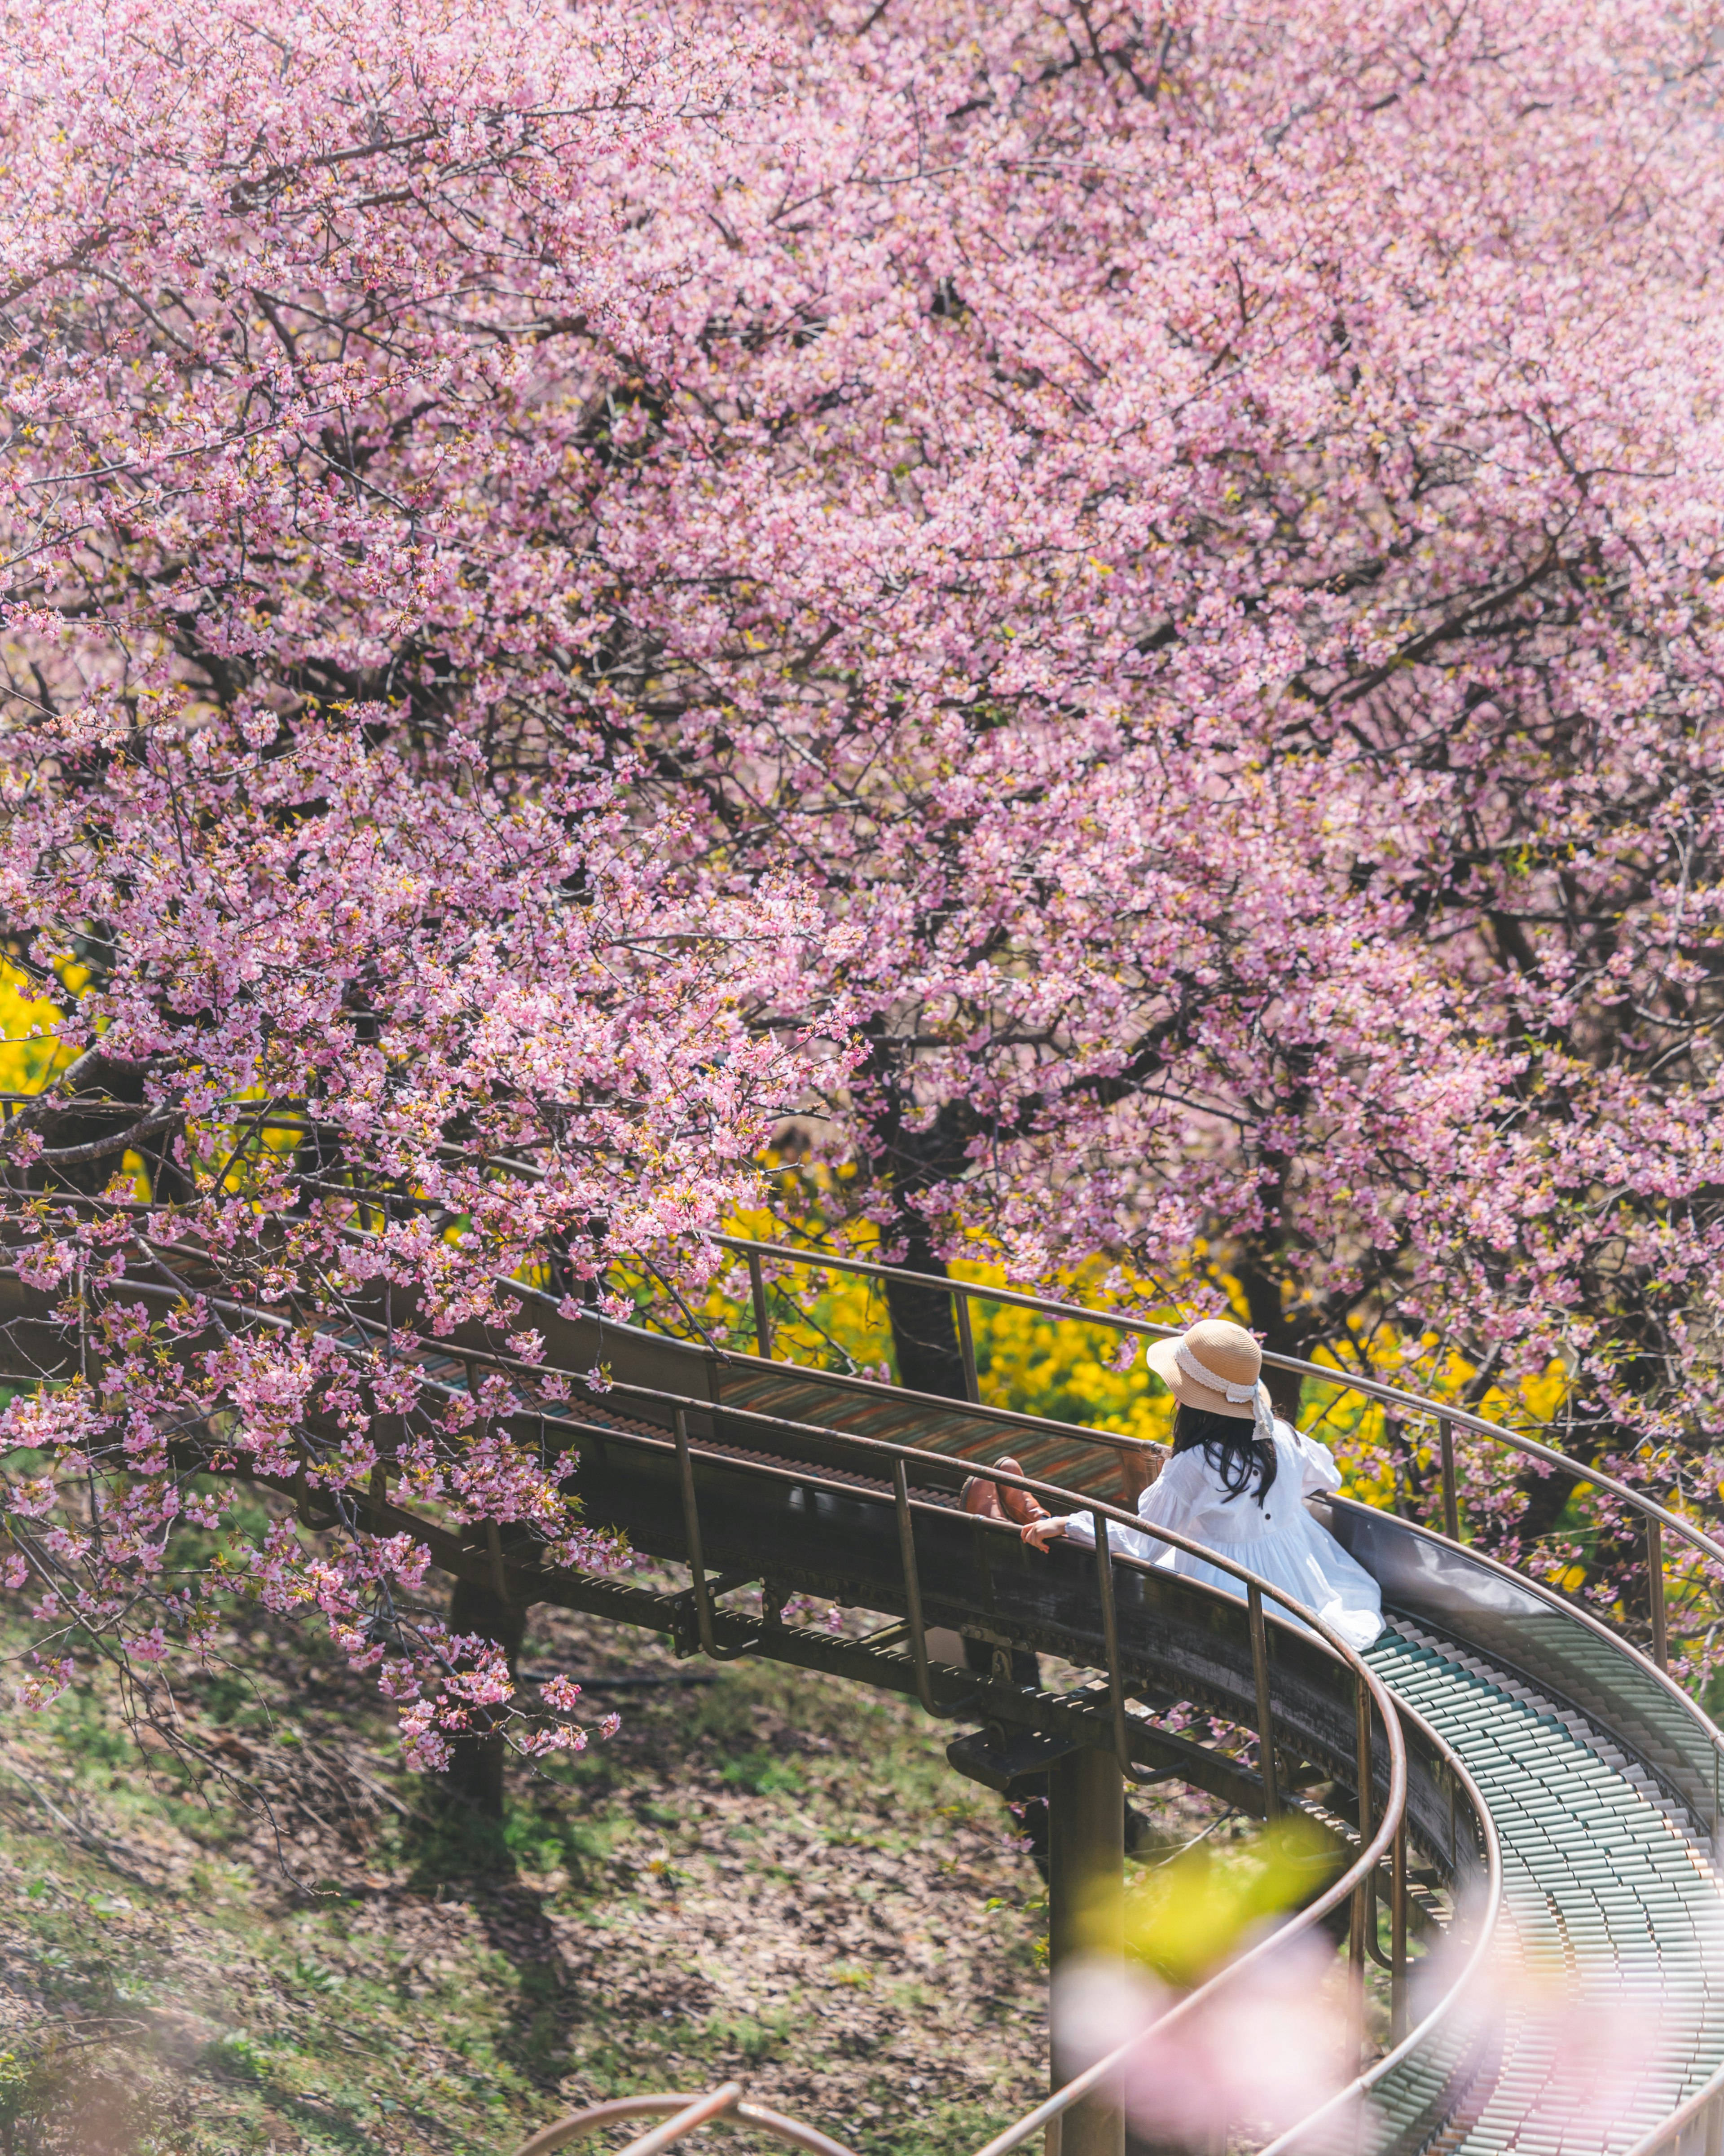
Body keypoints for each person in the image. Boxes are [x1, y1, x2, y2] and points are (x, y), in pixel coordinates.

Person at [1018, 1316, 1384, 1652]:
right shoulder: (1283, 1436)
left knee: (1113, 1571)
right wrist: (1267, 1504)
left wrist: (1069, 1523)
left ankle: (1019, 1516)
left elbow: (1143, 1542)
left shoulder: (1195, 1465)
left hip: (1232, 1588)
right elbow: (1327, 1476)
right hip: (1304, 1575)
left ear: (1189, 1400)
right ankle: (1017, 1510)